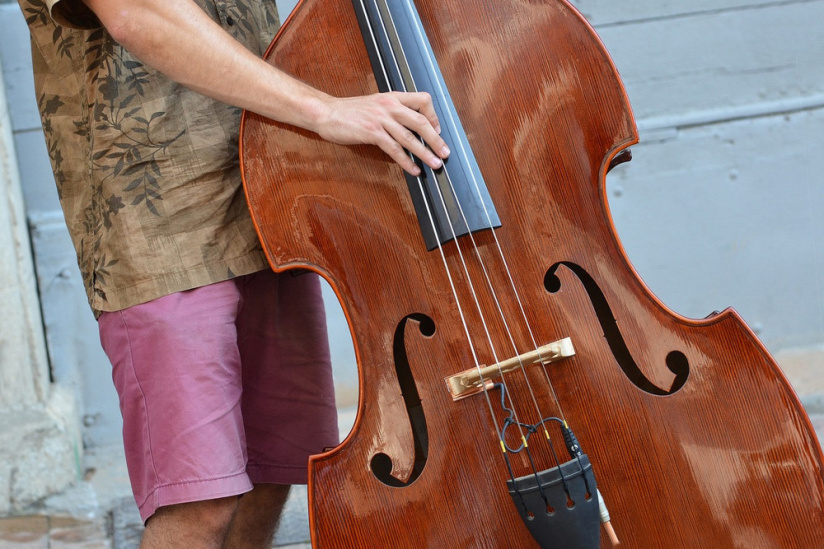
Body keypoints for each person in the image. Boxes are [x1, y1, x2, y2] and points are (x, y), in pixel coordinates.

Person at [17, 0, 449, 547]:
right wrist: (323, 109)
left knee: (274, 468)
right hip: (159, 222)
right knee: (199, 501)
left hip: (268, 184)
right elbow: (135, 11)